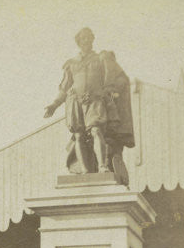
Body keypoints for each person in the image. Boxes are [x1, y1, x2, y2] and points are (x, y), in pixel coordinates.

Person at [44, 27, 134, 185]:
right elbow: (64, 88)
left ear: (92, 40)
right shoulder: (71, 64)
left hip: (95, 99)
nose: (86, 41)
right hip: (75, 102)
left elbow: (120, 78)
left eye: (89, 38)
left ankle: (103, 166)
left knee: (96, 130)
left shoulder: (102, 58)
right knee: (78, 135)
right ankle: (85, 171)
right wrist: (54, 104)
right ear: (78, 42)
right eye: (83, 38)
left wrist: (110, 91)